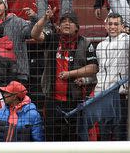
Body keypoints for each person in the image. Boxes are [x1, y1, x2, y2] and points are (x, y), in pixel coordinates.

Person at [31, 9, 98, 142]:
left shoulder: (85, 43)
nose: (67, 24)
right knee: (51, 138)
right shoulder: (52, 39)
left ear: (77, 27)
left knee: (74, 140)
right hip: (52, 101)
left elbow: (94, 67)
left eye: (71, 21)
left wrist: (70, 74)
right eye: (64, 21)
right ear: (59, 26)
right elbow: (34, 34)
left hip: (75, 102)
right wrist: (45, 18)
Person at [80, 12, 129, 141]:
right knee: (104, 134)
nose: (113, 27)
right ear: (106, 26)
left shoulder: (127, 41)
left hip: (119, 95)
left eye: (116, 24)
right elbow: (101, 72)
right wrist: (87, 80)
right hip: (102, 95)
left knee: (119, 133)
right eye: (110, 24)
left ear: (122, 26)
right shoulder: (100, 46)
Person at [0, 0, 36, 86]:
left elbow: (30, 33)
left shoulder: (17, 22)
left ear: (5, 6)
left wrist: (34, 18)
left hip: (19, 73)